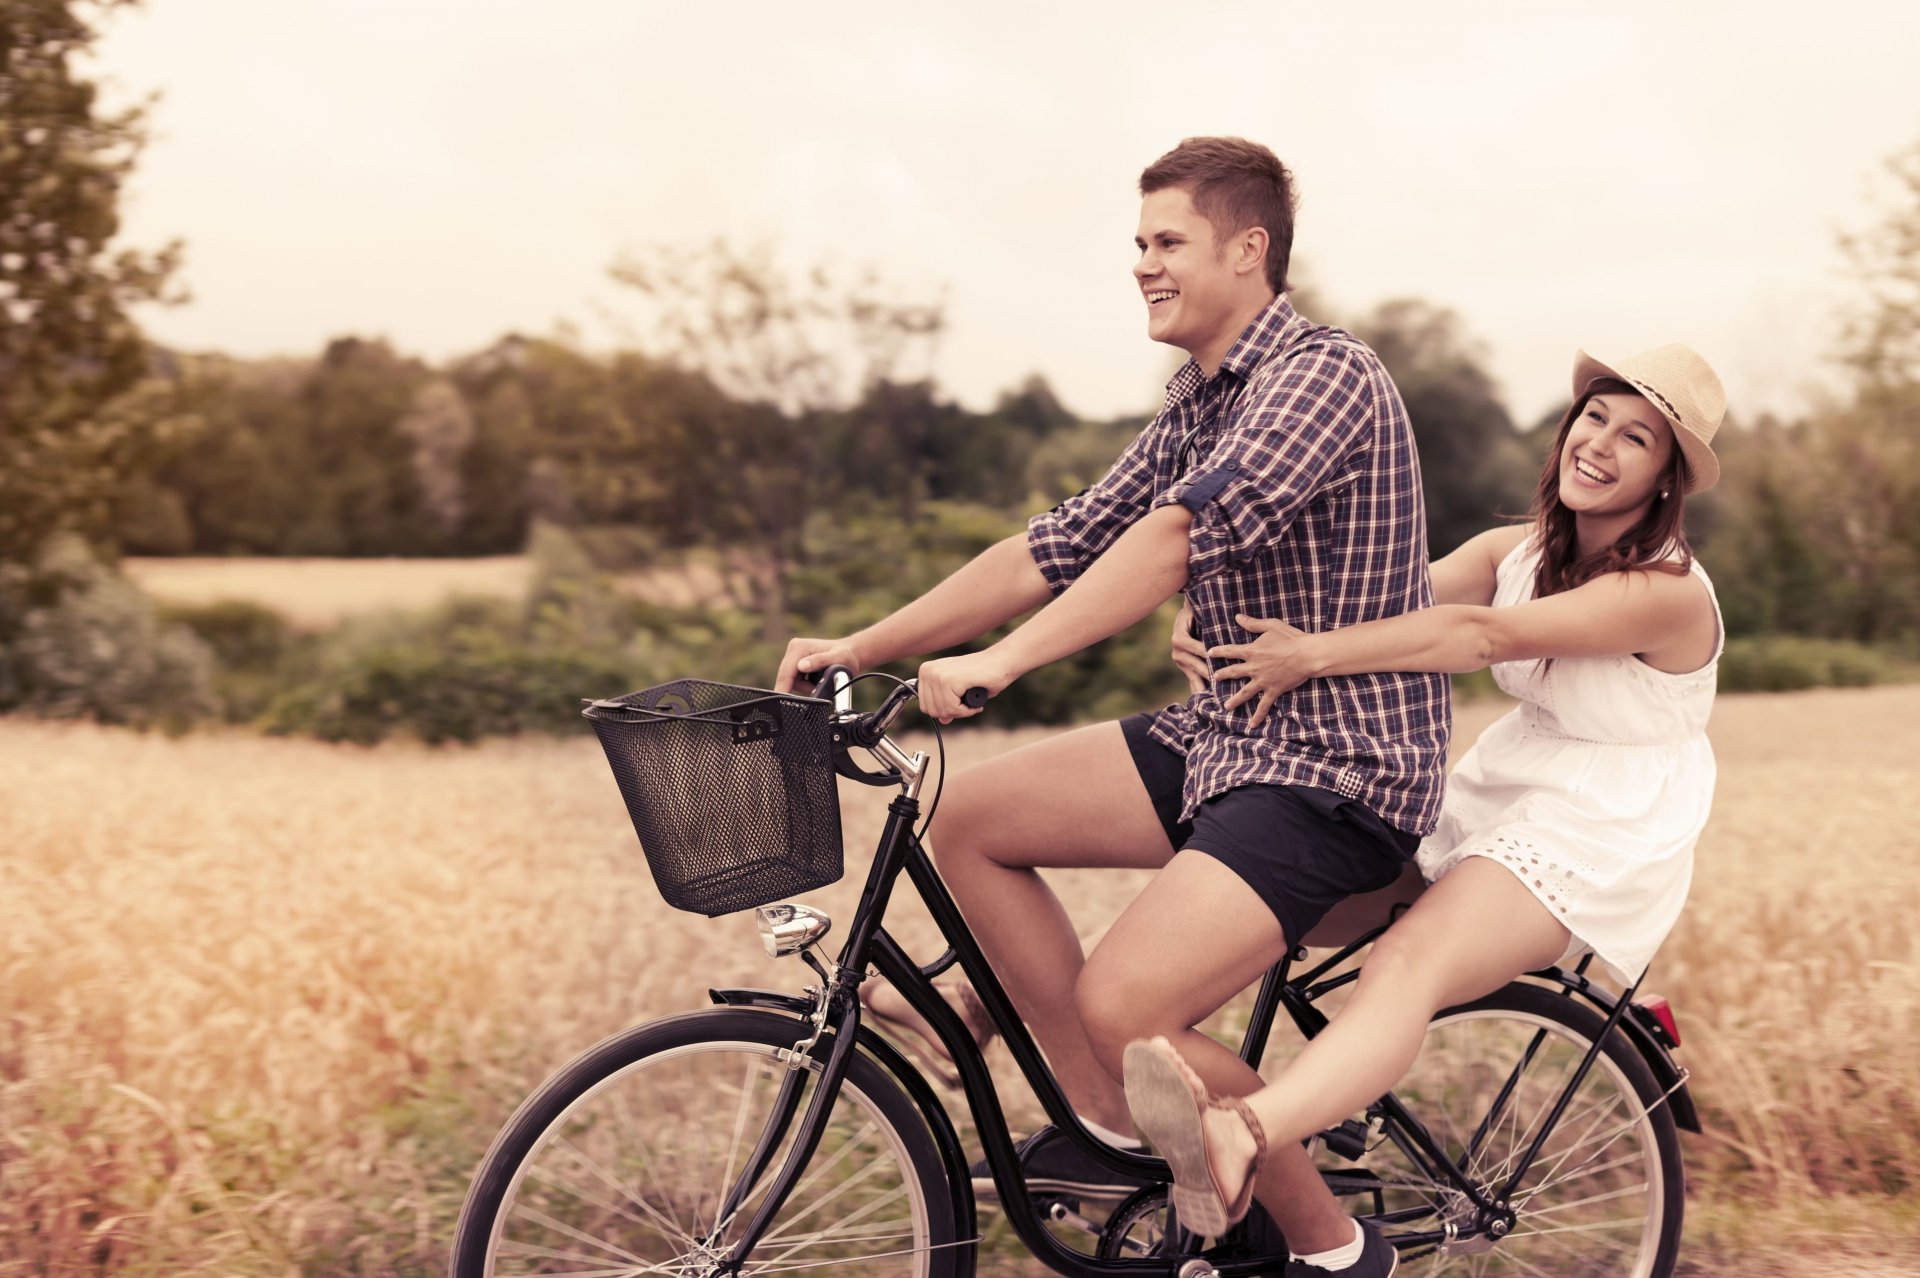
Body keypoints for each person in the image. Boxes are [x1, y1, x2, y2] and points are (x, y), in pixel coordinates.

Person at [776, 135, 1447, 1276]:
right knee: (969, 821)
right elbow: (1058, 545)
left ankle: (1336, 1253)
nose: (1142, 263)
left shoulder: (1323, 377)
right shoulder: (1199, 400)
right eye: (1138, 242)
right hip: (1226, 738)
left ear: (1248, 250)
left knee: (1129, 1005)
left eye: (1167, 241)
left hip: (1334, 771)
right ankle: (1115, 1125)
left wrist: (1004, 663)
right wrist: (865, 644)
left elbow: (1178, 538)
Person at [1124, 344, 1727, 1272]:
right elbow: (1358, 599)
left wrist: (1308, 658)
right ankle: (1270, 1098)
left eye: (1637, 438)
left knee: (1407, 960)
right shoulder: (1513, 554)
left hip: (1596, 824)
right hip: (1504, 781)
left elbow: (1478, 637)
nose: (1601, 445)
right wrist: (1213, 610)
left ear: (1666, 481)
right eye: (1596, 418)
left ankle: (1249, 1132)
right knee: (1267, 891)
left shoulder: (1666, 593)